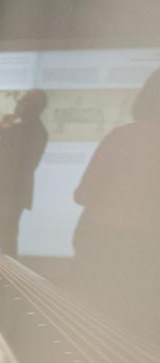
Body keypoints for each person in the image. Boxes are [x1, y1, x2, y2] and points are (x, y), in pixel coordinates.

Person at [72, 69, 160, 341]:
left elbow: (83, 195)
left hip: (106, 243)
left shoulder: (121, 137)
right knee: (144, 331)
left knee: (102, 327)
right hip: (150, 251)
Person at [0, 90, 48, 256]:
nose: (18, 104)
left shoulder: (36, 132)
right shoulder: (15, 127)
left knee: (6, 240)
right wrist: (0, 127)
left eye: (24, 101)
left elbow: (22, 163)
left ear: (34, 106)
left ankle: (1, 272)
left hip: (10, 194)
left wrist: (1, 143)